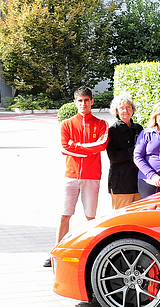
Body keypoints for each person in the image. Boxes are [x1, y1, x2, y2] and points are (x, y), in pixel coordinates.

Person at [45, 86, 109, 267]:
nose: (83, 104)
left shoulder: (101, 124)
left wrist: (77, 146)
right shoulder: (66, 124)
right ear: (75, 102)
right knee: (65, 215)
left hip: (92, 176)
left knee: (90, 217)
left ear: (92, 102)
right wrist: (88, 148)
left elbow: (102, 145)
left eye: (86, 100)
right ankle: (56, 253)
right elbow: (65, 148)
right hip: (71, 175)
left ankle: (91, 253)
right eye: (80, 100)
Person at [106, 93, 143, 209]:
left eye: (128, 107)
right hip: (121, 184)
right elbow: (114, 156)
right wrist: (135, 151)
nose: (125, 110)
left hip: (138, 183)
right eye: (121, 108)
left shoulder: (139, 128)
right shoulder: (113, 131)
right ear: (116, 111)